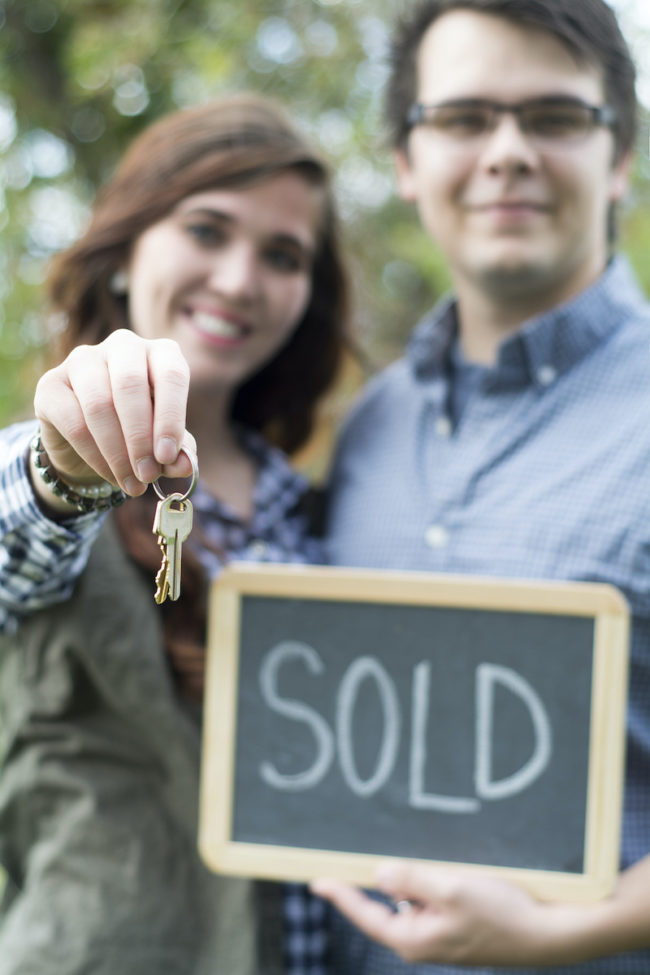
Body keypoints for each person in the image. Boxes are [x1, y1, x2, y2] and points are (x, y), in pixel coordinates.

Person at [313, 0, 650, 972]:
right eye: (463, 119)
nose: (505, 152)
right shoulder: (364, 430)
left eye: (552, 117)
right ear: (406, 163)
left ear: (617, 156)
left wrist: (567, 932)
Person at [0, 93, 350, 974]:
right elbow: (19, 532)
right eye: (206, 230)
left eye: (282, 255)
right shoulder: (41, 458)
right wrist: (66, 470)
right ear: (125, 252)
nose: (239, 279)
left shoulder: (320, 506)